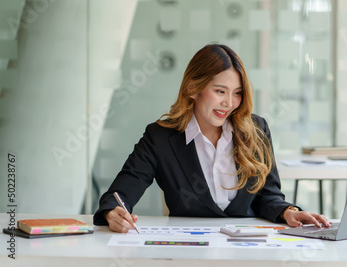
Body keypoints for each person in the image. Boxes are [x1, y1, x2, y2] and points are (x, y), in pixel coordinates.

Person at [93, 43, 330, 233]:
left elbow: (268, 195)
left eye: (237, 93)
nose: (229, 103)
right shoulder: (160, 137)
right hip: (190, 252)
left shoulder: (256, 130)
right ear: (193, 89)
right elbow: (120, 194)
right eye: (220, 91)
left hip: (249, 251)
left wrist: (287, 211)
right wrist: (114, 213)